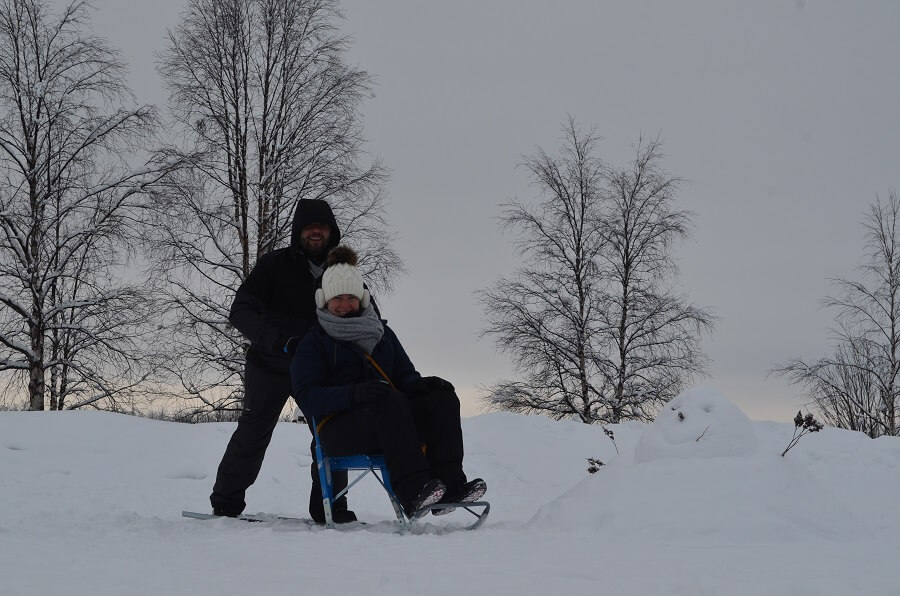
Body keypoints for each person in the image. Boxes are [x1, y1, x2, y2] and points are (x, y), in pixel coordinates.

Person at [291, 245, 486, 518]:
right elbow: (308, 396)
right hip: (337, 429)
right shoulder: (314, 342)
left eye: (351, 297)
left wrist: (421, 385)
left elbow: (404, 375)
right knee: (389, 401)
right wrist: (355, 393)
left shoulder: (382, 333)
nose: (345, 305)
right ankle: (413, 492)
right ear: (324, 300)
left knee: (442, 399)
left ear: (363, 298)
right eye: (338, 298)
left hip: (391, 421)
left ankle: (450, 486)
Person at [210, 198, 356, 524]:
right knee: (253, 432)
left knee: (331, 435)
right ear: (297, 232)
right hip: (270, 365)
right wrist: (278, 340)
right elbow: (241, 311)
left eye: (321, 227)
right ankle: (225, 506)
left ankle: (330, 509)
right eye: (308, 227)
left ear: (331, 232)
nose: (315, 233)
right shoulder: (274, 265)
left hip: (319, 371)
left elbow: (364, 316)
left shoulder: (342, 274)